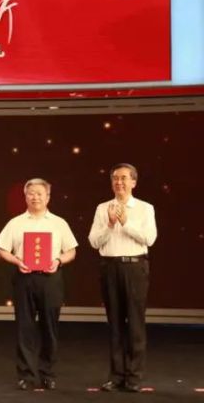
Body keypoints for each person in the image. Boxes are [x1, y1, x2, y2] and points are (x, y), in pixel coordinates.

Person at [0, 178, 77, 391]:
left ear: (48, 197)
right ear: (25, 196)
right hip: (24, 278)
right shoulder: (15, 223)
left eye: (40, 193)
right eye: (31, 193)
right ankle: (26, 375)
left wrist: (58, 260)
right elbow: (2, 249)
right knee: (25, 327)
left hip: (51, 279)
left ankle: (47, 374)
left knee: (50, 327)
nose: (35, 197)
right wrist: (16, 261)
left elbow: (71, 251)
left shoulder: (59, 223)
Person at [89, 163, 157, 393]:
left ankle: (134, 376)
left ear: (133, 182)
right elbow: (94, 241)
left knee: (135, 323)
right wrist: (110, 224)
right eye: (115, 178)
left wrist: (126, 222)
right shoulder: (102, 208)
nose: (119, 182)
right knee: (115, 324)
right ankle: (116, 375)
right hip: (109, 267)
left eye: (124, 178)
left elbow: (149, 238)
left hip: (135, 267)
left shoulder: (145, 208)